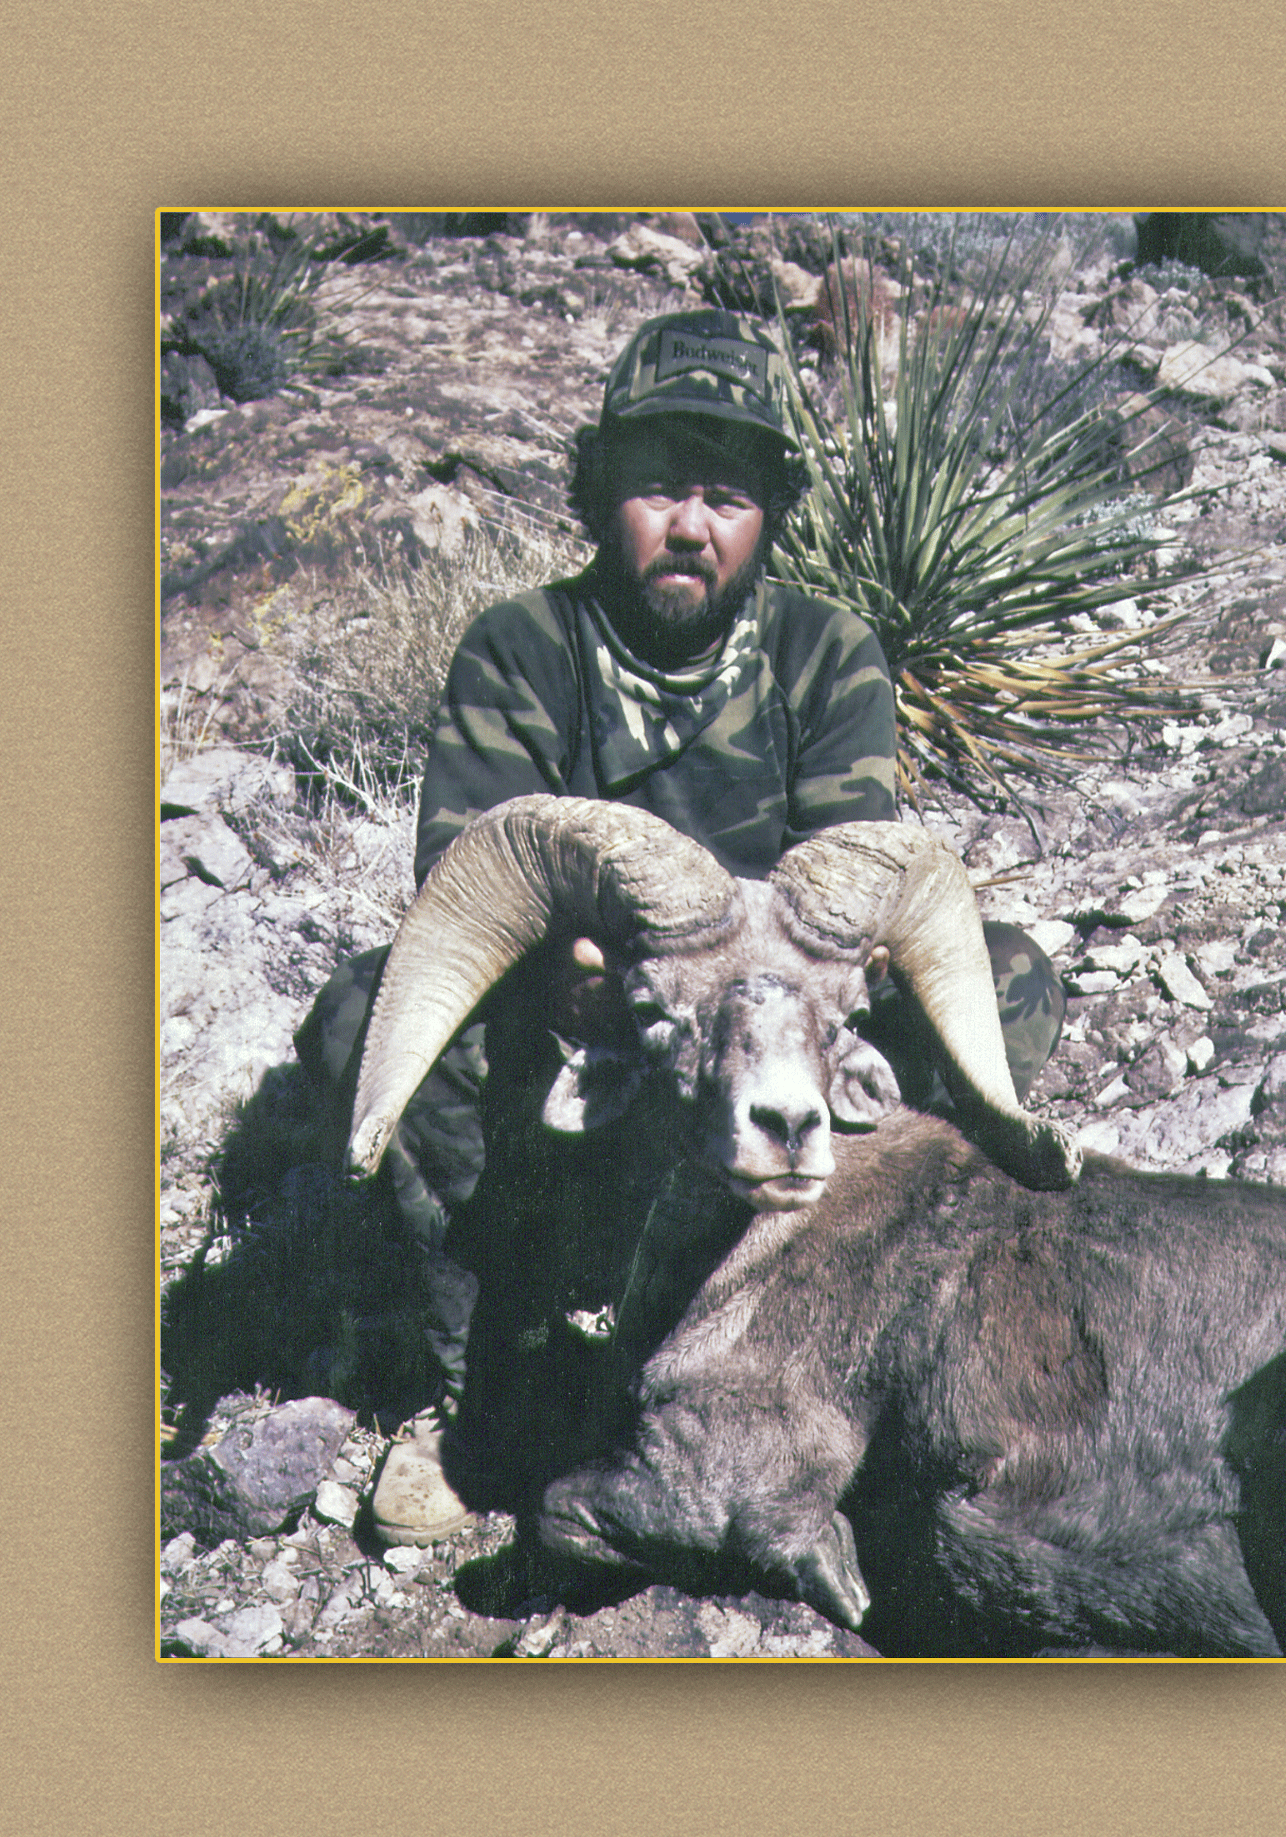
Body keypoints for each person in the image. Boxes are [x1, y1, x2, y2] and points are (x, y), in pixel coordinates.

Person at [295, 308, 1065, 1546]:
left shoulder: (826, 654)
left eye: (725, 494)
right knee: (363, 1013)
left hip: (772, 1031)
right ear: (599, 492)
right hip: (602, 1025)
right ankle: (479, 1380)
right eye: (657, 487)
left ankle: (840, 1336)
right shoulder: (523, 648)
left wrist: (796, 992)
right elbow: (465, 877)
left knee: (1010, 979)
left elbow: (850, 890)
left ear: (770, 512)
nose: (689, 526)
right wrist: (577, 977)